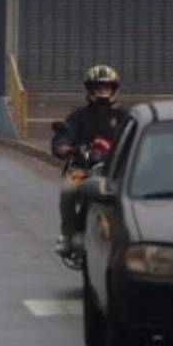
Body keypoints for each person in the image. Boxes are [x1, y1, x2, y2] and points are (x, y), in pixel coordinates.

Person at [50, 64, 128, 257]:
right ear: (90, 89)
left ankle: (131, 238)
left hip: (115, 172)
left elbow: (133, 139)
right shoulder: (78, 116)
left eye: (107, 87)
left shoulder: (125, 117)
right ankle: (67, 235)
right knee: (68, 191)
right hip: (82, 170)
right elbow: (65, 134)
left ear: (114, 89)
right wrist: (63, 147)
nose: (103, 91)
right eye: (98, 87)